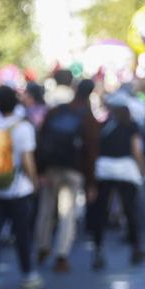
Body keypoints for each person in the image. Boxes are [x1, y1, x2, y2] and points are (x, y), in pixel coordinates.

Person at [0, 85, 42, 289]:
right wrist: (34, 183)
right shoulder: (22, 127)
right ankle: (28, 275)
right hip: (17, 189)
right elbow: (27, 160)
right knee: (22, 234)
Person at [34, 78, 99, 273]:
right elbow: (92, 153)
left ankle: (42, 245)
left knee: (46, 210)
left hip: (51, 169)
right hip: (73, 171)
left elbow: (41, 140)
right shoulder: (88, 118)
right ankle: (61, 254)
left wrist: (40, 170)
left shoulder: (56, 111)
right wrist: (91, 183)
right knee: (67, 214)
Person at [87, 92, 145, 271]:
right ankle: (136, 247)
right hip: (126, 171)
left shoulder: (103, 125)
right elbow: (136, 149)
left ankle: (98, 249)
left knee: (101, 210)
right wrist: (141, 169)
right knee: (130, 209)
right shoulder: (131, 126)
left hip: (104, 170)